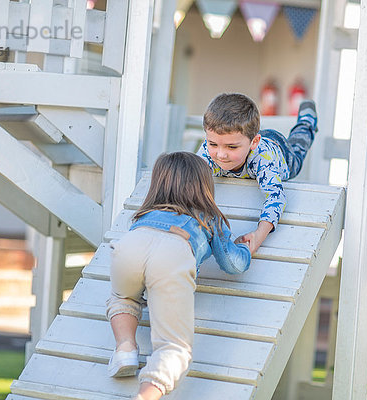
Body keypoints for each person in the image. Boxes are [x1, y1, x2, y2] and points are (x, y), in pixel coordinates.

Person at [105, 152, 251, 400]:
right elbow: (232, 264)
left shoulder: (144, 213)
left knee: (123, 297)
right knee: (174, 346)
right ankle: (145, 396)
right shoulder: (209, 217)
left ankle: (125, 348)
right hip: (173, 253)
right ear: (204, 186)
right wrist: (247, 248)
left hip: (130, 245)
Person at [197, 93, 317, 255]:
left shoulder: (263, 160)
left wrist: (258, 235)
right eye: (213, 144)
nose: (221, 154)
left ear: (254, 142)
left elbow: (276, 197)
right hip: (249, 137)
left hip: (280, 151)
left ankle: (307, 119)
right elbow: (189, 182)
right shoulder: (207, 151)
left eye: (231, 147)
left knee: (299, 145)